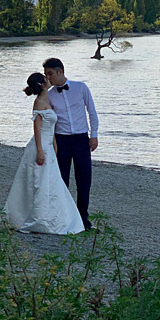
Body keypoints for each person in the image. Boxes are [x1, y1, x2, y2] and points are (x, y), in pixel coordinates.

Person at [3, 72, 85, 235]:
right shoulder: (39, 102)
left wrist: (54, 144)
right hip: (40, 146)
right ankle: (37, 217)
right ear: (42, 84)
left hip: (48, 145)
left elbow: (51, 127)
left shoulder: (48, 100)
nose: (49, 80)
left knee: (52, 181)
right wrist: (40, 150)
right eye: (46, 79)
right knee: (40, 181)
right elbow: (37, 129)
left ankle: (53, 215)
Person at [43, 57, 99, 231]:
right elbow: (47, 120)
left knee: (84, 180)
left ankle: (83, 218)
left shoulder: (81, 87)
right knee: (62, 180)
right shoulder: (50, 95)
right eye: (46, 75)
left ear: (60, 71)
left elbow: (92, 111)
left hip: (81, 139)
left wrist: (94, 134)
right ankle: (63, 217)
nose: (48, 78)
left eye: (50, 74)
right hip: (61, 141)